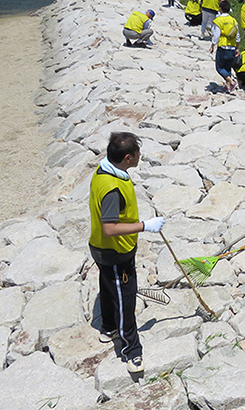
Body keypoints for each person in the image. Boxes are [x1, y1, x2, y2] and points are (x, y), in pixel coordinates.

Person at [89, 132, 165, 375]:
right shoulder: (112, 188)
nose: (141, 157)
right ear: (129, 158)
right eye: (138, 154)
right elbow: (109, 228)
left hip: (102, 249)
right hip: (114, 251)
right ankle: (131, 350)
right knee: (125, 296)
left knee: (108, 285)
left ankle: (108, 326)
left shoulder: (104, 172)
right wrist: (145, 226)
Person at [209, 0, 240, 93]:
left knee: (219, 67)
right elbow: (237, 36)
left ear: (220, 9)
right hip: (232, 47)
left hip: (223, 47)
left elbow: (216, 35)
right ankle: (228, 87)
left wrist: (212, 46)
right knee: (228, 67)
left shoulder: (218, 21)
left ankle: (231, 82)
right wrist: (237, 47)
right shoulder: (233, 20)